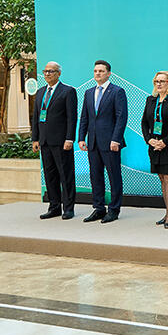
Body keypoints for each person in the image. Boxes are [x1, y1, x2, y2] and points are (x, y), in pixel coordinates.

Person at [78, 60, 128, 224]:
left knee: (114, 176)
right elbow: (84, 117)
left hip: (110, 142)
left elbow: (121, 117)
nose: (97, 73)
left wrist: (116, 139)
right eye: (95, 71)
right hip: (92, 142)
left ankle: (114, 210)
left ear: (108, 73)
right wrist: (81, 138)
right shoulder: (88, 92)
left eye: (101, 71)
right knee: (95, 176)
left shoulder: (117, 91)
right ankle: (99, 208)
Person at [31, 61, 78, 220]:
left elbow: (72, 118)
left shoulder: (68, 91)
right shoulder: (40, 92)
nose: (47, 74)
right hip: (44, 141)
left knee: (66, 175)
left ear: (59, 73)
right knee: (50, 176)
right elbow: (36, 117)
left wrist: (69, 138)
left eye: (51, 71)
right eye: (45, 71)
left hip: (61, 142)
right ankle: (54, 207)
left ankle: (68, 208)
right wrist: (35, 138)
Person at [141, 71, 168, 229]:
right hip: (154, 146)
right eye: (156, 81)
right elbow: (144, 123)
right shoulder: (150, 100)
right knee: (162, 178)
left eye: (162, 81)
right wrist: (149, 139)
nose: (159, 84)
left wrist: (165, 142)